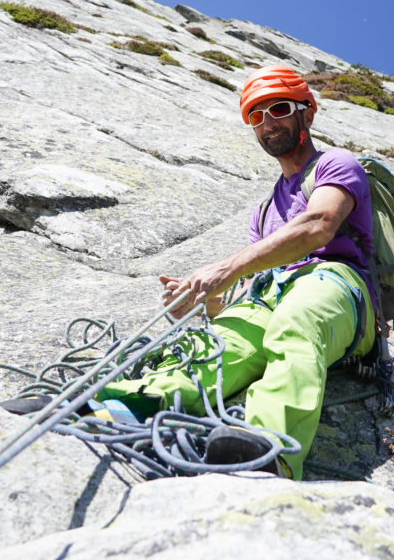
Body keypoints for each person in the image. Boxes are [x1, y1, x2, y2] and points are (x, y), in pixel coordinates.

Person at [95, 65, 377, 479]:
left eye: (279, 108)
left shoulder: (335, 164)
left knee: (298, 321)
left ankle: (269, 451)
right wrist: (204, 303)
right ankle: (121, 406)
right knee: (221, 344)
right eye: (256, 117)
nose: (267, 124)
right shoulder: (264, 213)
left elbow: (319, 225)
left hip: (336, 282)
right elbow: (244, 291)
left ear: (308, 114)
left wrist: (225, 268)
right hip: (268, 294)